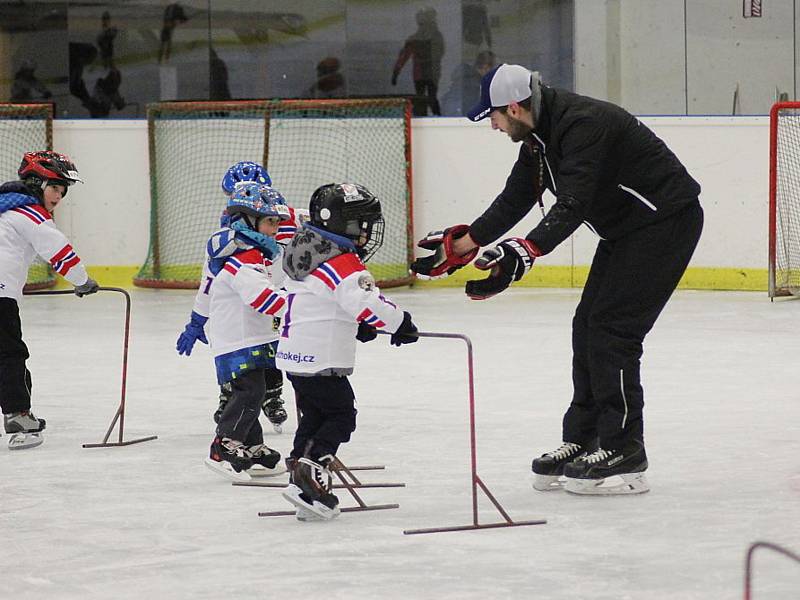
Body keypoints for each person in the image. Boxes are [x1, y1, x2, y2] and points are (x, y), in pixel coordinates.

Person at [411, 64, 703, 495]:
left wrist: (525, 251)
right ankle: (585, 438)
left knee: (612, 331)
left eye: (492, 116)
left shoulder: (583, 125)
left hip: (666, 223)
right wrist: (465, 243)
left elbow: (573, 202)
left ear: (514, 106)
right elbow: (517, 197)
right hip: (628, 231)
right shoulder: (538, 138)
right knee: (586, 326)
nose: (491, 124)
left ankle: (624, 447)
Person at [277, 183, 419, 520]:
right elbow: (368, 302)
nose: (366, 233)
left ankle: (301, 479)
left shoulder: (306, 252)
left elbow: (322, 303)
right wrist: (400, 323)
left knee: (313, 417)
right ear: (340, 224)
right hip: (321, 359)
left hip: (294, 356)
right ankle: (310, 473)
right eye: (361, 225)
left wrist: (357, 325)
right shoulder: (342, 264)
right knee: (342, 416)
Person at [176, 161, 306, 434]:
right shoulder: (229, 236)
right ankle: (233, 395)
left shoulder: (287, 216)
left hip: (274, 296)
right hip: (253, 296)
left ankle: (270, 394)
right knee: (240, 348)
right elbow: (210, 280)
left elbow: (320, 226)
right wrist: (197, 321)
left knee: (271, 347)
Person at [0, 151, 99, 450]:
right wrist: (83, 282)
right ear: (35, 182)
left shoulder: (5, 209)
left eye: (63, 190)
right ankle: (18, 416)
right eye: (55, 187)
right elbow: (60, 252)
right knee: (10, 354)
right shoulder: (29, 214)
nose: (59, 196)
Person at [200, 181, 291, 481]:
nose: (275, 229)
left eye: (277, 222)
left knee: (257, 390)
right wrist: (300, 307)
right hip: (237, 341)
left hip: (255, 337)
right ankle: (223, 445)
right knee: (249, 392)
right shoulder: (242, 259)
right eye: (269, 222)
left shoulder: (257, 256)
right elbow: (262, 299)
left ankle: (251, 448)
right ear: (247, 221)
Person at [391, 7, 444, 116]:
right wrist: (396, 72)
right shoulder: (430, 37)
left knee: (426, 98)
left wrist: (396, 72)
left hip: (426, 73)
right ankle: (434, 117)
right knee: (428, 98)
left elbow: (403, 56)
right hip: (427, 73)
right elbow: (404, 56)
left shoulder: (417, 38)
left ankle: (431, 117)